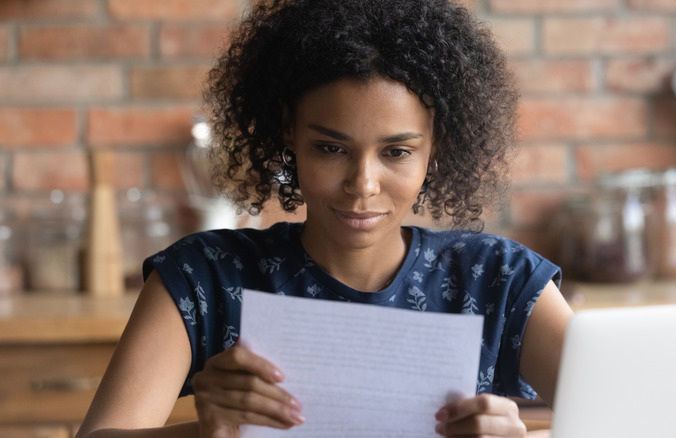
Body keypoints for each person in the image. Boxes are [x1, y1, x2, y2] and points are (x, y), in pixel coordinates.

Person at [76, 0, 573, 437]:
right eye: (331, 148)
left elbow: (636, 420)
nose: (363, 183)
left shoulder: (500, 281)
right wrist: (208, 431)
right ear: (287, 135)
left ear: (436, 149)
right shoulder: (204, 277)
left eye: (396, 151)